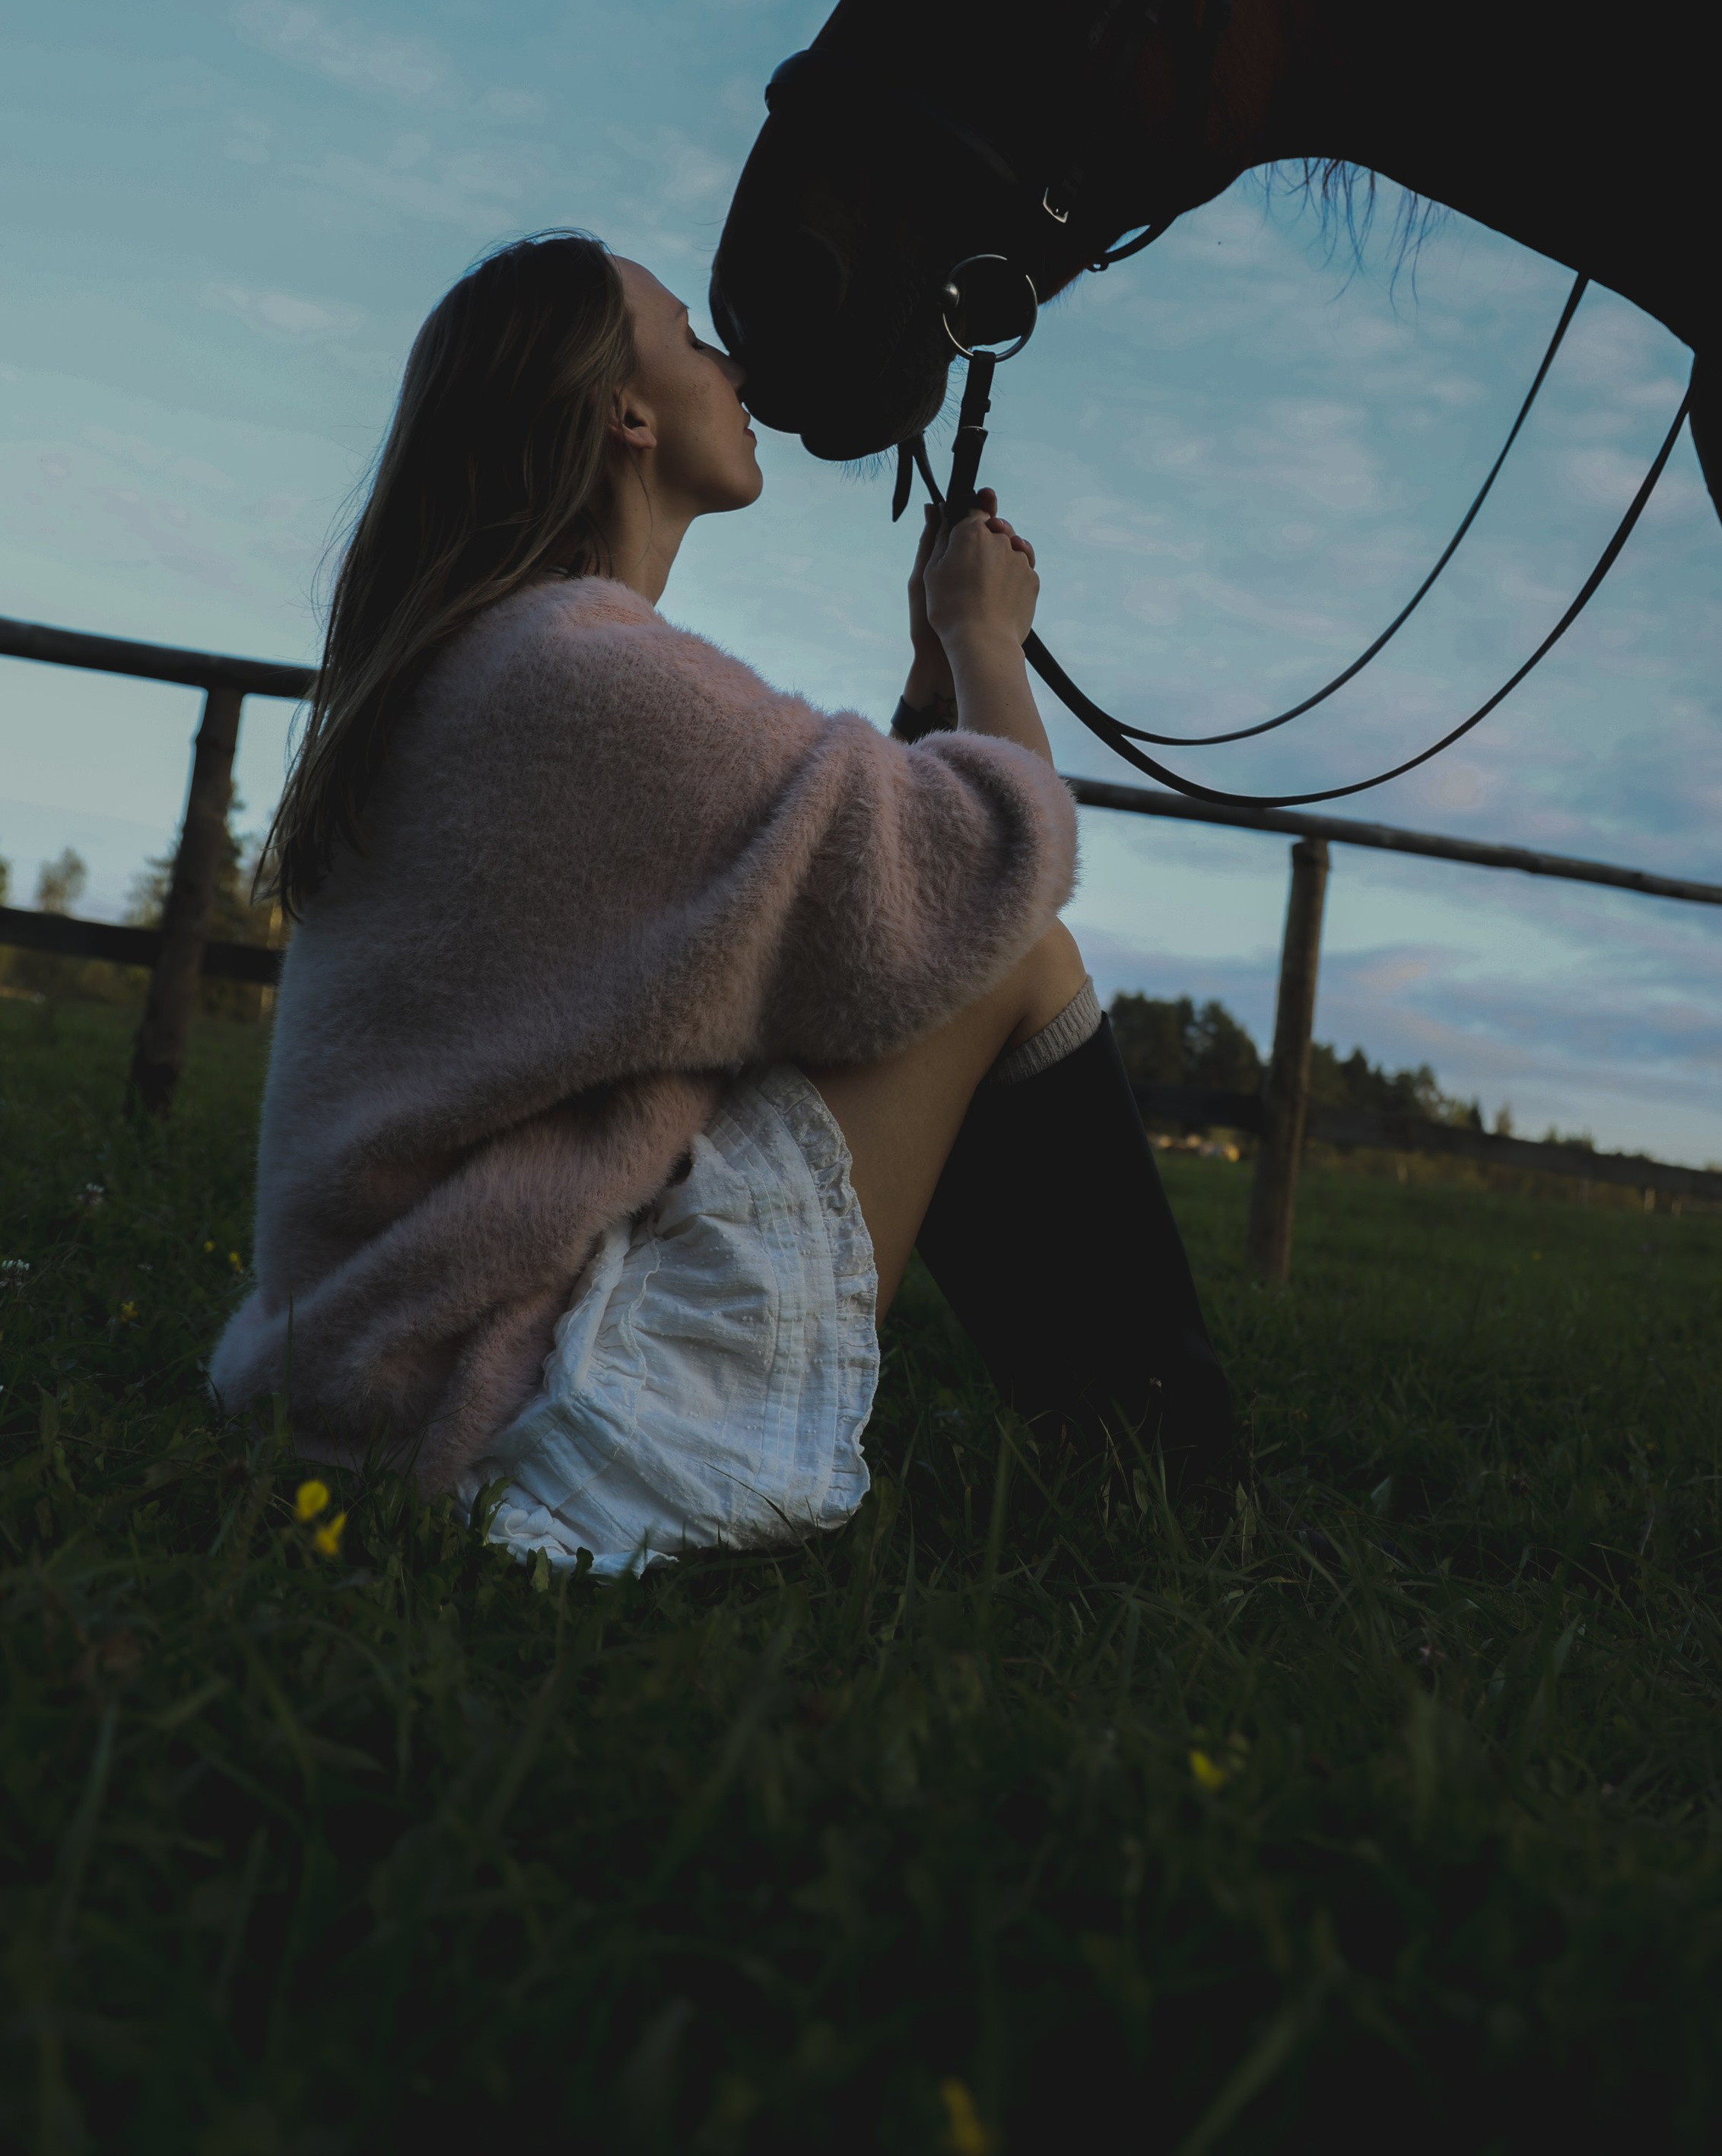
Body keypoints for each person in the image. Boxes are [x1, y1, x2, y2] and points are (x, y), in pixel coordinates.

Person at [210, 230, 1231, 1575]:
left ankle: (1144, 1473)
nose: (733, 361)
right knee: (1018, 958)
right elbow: (990, 865)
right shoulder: (583, 672)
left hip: (380, 1368)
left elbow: (826, 931)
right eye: (692, 338)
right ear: (625, 412)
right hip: (506, 1403)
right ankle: (1184, 1493)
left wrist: (924, 699)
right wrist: (987, 638)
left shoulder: (496, 659)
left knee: (939, 956)